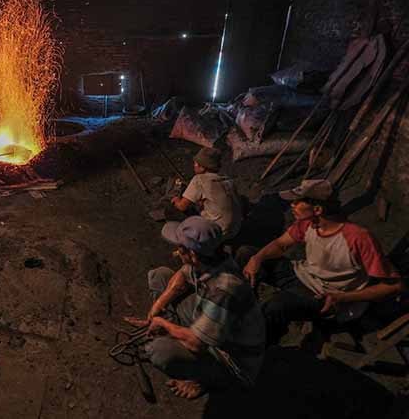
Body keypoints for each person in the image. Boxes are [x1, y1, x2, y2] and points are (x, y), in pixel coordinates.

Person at [239, 180, 403, 345]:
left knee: (276, 307)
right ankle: (244, 310)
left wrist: (343, 298)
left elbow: (393, 286)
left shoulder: (358, 238)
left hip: (326, 297)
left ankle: (257, 348)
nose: (292, 205)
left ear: (317, 209)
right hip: (303, 275)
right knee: (246, 253)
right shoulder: (307, 224)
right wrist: (257, 258)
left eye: (298, 202)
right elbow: (281, 244)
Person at [125, 216, 266, 399]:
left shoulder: (224, 289)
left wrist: (164, 325)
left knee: (159, 351)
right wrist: (158, 306)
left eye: (180, 248)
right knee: (160, 276)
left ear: (191, 254)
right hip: (215, 328)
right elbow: (182, 275)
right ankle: (173, 330)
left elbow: (197, 344)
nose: (176, 251)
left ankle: (205, 380)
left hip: (233, 360)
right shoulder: (211, 259)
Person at [169, 147, 242, 240]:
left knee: (172, 210)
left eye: (196, 163)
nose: (194, 165)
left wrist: (176, 201)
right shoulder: (228, 180)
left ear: (203, 167)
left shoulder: (199, 180)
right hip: (236, 229)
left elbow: (182, 206)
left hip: (218, 233)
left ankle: (187, 239)